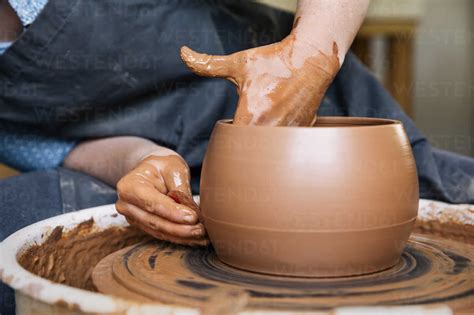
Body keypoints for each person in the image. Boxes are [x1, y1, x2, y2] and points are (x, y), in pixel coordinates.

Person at [0, 1, 473, 314]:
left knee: (437, 203)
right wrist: (144, 161)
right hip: (182, 188)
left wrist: (309, 57)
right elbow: (63, 150)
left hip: (319, 118)